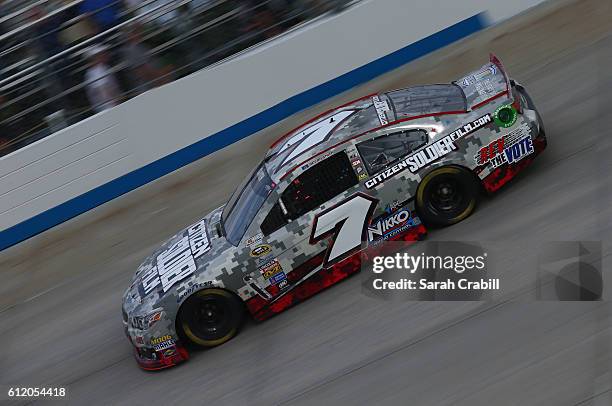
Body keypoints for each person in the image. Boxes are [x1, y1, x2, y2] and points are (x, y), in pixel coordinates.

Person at [84, 45, 122, 113]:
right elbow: (104, 91)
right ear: (95, 57)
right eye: (102, 53)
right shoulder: (98, 70)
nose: (105, 54)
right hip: (109, 108)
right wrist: (115, 104)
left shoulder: (94, 71)